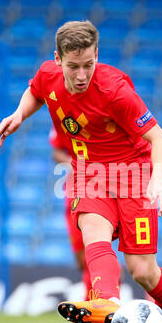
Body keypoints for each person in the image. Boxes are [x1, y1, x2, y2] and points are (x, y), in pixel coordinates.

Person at [0, 20, 162, 323]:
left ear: (96, 56)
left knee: (143, 272)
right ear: (58, 60)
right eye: (73, 66)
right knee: (92, 225)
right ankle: (106, 299)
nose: (81, 74)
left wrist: (157, 182)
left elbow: (161, 140)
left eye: (88, 64)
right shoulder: (47, 75)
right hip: (90, 171)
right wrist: (19, 115)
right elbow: (35, 91)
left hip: (133, 172)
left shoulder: (115, 91)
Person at [49, 126, 92, 302]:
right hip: (73, 192)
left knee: (93, 249)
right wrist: (74, 163)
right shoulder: (62, 115)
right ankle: (110, 278)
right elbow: (56, 152)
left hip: (98, 189)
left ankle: (92, 303)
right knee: (81, 257)